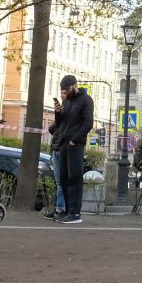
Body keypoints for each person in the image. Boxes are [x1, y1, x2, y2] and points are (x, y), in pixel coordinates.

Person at [50, 75, 94, 223]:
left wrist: (75, 140)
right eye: (62, 90)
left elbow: (88, 123)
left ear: (74, 86)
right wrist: (58, 112)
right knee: (63, 178)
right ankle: (68, 211)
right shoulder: (66, 101)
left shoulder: (86, 100)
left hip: (75, 145)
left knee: (74, 177)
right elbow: (60, 123)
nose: (65, 92)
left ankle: (75, 213)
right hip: (63, 144)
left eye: (66, 89)